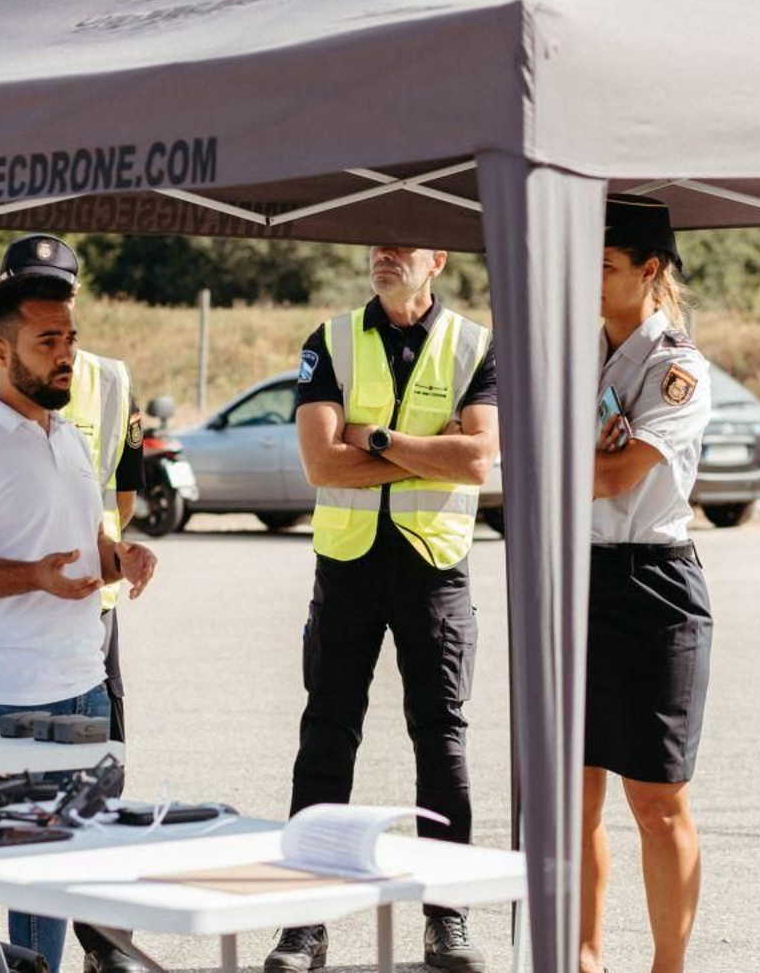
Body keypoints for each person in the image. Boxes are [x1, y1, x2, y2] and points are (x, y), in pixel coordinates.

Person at [267, 245, 498, 973]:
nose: (385, 253)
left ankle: (447, 914)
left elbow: (479, 461)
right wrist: (430, 449)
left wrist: (373, 438)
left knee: (443, 740)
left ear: (438, 259)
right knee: (327, 739)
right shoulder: (329, 340)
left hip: (434, 568)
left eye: (403, 244)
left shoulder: (475, 345)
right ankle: (306, 922)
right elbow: (320, 463)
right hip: (348, 565)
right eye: (377, 243)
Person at [0, 273, 157, 973]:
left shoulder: (73, 440)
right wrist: (33, 577)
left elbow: (85, 546)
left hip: (83, 691)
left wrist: (123, 557)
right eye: (47, 339)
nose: (67, 355)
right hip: (0, 698)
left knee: (50, 878)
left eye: (71, 339)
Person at [578, 194, 714, 973]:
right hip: (577, 579)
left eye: (602, 266)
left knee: (657, 803)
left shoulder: (678, 366)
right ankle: (585, 956)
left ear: (649, 269)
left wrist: (557, 461)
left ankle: (669, 966)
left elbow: (619, 474)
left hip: (654, 586)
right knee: (576, 796)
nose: (588, 282)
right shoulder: (575, 352)